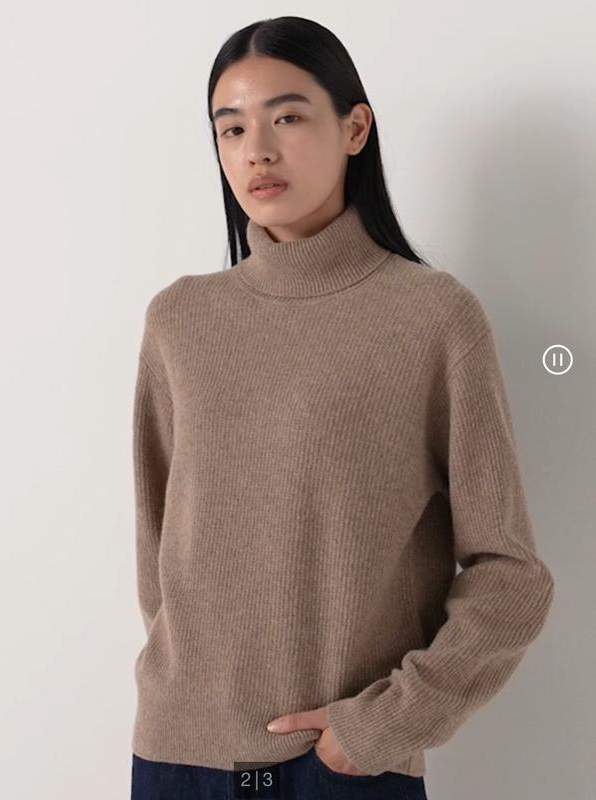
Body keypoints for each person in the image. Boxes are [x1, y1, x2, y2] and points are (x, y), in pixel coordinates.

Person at [129, 15, 555, 800]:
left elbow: (511, 576)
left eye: (287, 117)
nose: (257, 150)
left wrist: (384, 726)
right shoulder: (179, 320)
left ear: (355, 128)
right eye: (232, 128)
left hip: (340, 768)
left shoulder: (433, 318)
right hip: (176, 758)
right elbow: (160, 555)